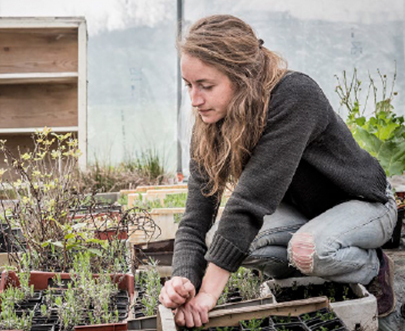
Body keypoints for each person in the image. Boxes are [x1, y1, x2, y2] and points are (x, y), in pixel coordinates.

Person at [159, 14, 398, 327]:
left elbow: (248, 203)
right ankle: (315, 273)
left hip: (364, 204)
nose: (194, 99)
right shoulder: (210, 123)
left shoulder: (295, 96)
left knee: (308, 250)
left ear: (243, 76)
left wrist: (207, 296)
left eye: (205, 86)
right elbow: (195, 218)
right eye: (189, 85)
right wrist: (183, 280)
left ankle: (372, 267)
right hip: (303, 215)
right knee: (220, 238)